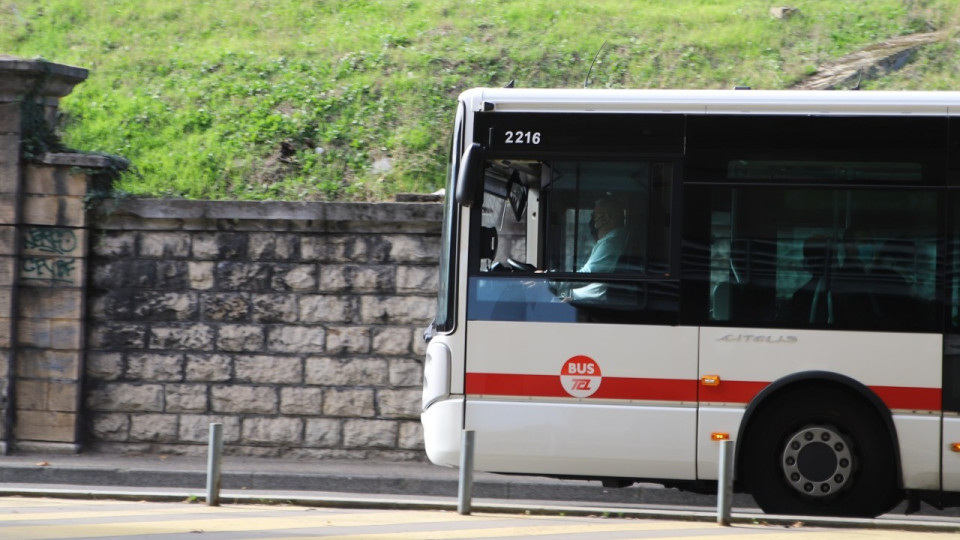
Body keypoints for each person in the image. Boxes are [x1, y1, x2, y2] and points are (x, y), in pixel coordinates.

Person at [560, 195, 628, 301]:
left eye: (594, 216)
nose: (591, 220)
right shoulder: (609, 241)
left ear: (605, 218)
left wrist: (549, 278)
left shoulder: (610, 244)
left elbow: (587, 276)